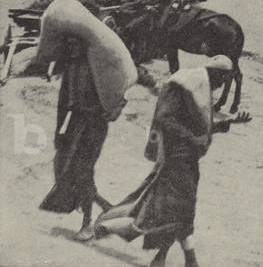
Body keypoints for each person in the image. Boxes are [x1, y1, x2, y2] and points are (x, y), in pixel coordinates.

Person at [95, 56, 250, 267]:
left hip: (188, 159)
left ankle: (113, 229)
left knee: (164, 210)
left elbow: (200, 127)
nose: (222, 85)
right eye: (223, 78)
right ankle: (185, 260)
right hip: (174, 158)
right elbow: (164, 119)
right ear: (216, 73)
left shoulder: (200, 88)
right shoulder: (184, 87)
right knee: (180, 210)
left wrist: (227, 123)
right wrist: (192, 138)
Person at [38, 36, 116, 240]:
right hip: (76, 122)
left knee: (83, 170)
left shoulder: (98, 63)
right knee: (63, 166)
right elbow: (63, 101)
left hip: (95, 124)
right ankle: (103, 205)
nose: (71, 47)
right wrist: (58, 131)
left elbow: (117, 91)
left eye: (75, 43)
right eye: (69, 43)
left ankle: (87, 223)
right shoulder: (72, 65)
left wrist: (112, 110)